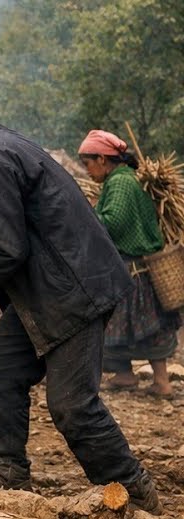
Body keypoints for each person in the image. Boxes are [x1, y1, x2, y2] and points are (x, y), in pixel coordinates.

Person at [0, 64, 160, 512]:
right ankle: (8, 471)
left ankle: (133, 491)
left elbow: (6, 251)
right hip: (49, 290)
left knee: (72, 405)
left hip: (73, 292)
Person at [79, 129, 179, 397]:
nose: (87, 170)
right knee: (133, 326)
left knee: (137, 326)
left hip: (132, 271)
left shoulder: (121, 182)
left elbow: (113, 222)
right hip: (134, 269)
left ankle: (158, 382)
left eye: (87, 163)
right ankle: (130, 376)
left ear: (102, 159)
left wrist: (87, 213)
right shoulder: (122, 179)